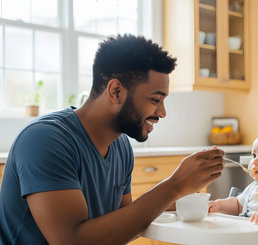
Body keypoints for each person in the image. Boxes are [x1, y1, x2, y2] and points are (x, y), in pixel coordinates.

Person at [0, 34, 225, 244]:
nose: (162, 112)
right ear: (116, 91)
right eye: (155, 99)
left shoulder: (120, 146)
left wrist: (171, 199)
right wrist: (173, 187)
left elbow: (122, 224)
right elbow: (72, 240)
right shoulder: (45, 140)